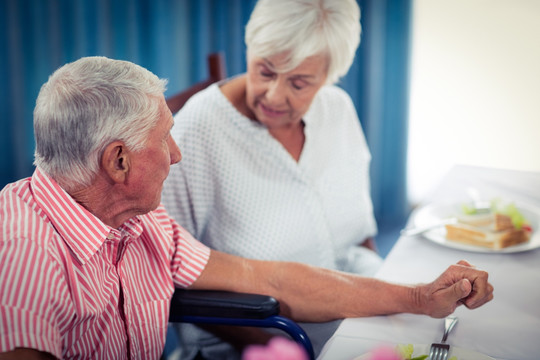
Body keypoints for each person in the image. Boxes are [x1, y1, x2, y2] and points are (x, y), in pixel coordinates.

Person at [0, 56, 493, 360]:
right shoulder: (24, 252)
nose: (176, 153)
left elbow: (273, 281)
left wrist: (419, 298)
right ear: (119, 160)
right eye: (165, 138)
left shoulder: (143, 221)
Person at [161, 0, 379, 357]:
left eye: (299, 83)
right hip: (266, 342)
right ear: (250, 49)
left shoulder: (337, 110)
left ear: (328, 76)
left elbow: (362, 236)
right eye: (265, 71)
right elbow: (171, 278)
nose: (275, 96)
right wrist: (293, 351)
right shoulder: (198, 130)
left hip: (356, 324)